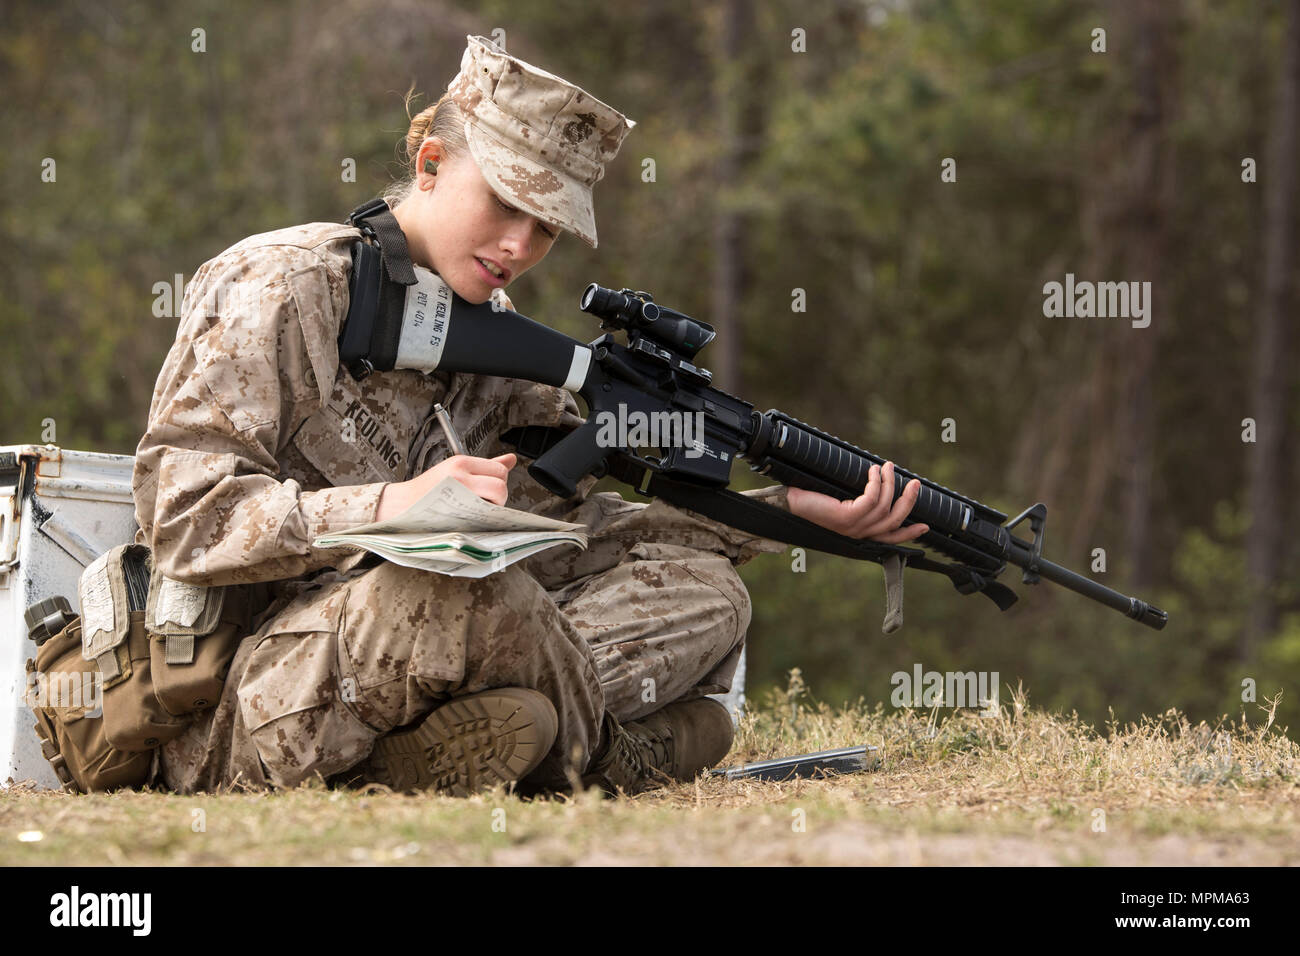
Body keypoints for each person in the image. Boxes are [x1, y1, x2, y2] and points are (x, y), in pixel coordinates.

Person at [130, 35, 928, 797]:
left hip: (440, 665)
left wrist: (781, 515)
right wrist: (388, 508)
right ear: (430, 164)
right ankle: (607, 758)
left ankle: (473, 749)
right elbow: (181, 512)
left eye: (545, 227)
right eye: (505, 203)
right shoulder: (281, 285)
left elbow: (570, 537)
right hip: (257, 701)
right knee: (476, 597)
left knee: (709, 594)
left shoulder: (497, 337)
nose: (517, 243)